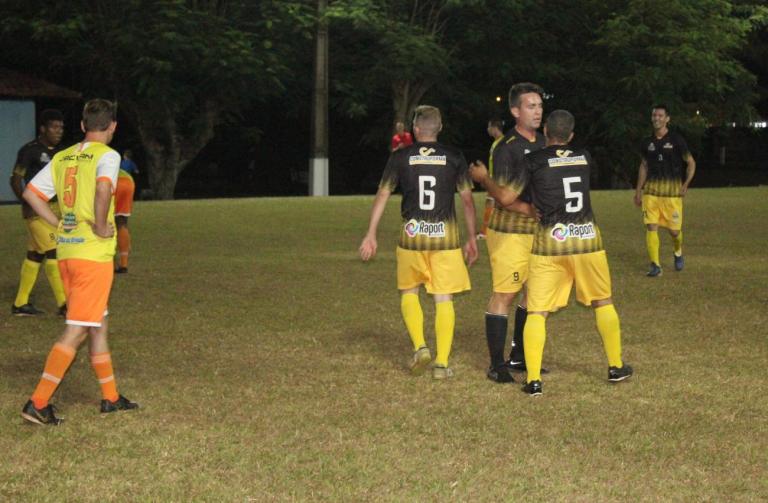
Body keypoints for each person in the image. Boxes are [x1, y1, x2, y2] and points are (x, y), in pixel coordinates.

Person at [470, 109, 633, 395]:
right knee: (603, 302)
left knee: (538, 310)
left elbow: (507, 198)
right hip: (587, 241)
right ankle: (615, 366)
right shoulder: (584, 157)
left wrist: (484, 179)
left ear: (546, 131)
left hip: (550, 243)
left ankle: (533, 381)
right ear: (571, 135)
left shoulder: (533, 161)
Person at [20, 99, 138, 425]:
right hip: (92, 256)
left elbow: (31, 193)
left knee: (96, 323)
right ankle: (38, 402)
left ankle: (111, 397)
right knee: (77, 330)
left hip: (69, 253)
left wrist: (57, 224)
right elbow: (103, 191)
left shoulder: (63, 156)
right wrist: (101, 226)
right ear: (112, 126)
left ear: (84, 126)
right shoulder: (108, 156)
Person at [360, 105, 478, 379]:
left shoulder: (401, 156)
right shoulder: (454, 157)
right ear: (440, 127)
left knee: (409, 292)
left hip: (411, 238)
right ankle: (442, 364)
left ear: (414, 130)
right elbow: (468, 201)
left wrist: (371, 234)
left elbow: (382, 194)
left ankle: (420, 347)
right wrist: (472, 238)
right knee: (443, 298)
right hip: (445, 241)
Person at [482, 82, 546, 383]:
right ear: (515, 111)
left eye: (539, 105)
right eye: (531, 106)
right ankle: (497, 364)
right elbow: (505, 198)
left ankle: (520, 355)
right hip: (508, 231)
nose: (537, 111)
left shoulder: (544, 142)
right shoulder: (505, 148)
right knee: (505, 294)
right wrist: (528, 210)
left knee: (534, 294)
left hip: (538, 232)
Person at [9, 109, 68, 316]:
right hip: (36, 210)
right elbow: (16, 179)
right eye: (54, 127)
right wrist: (26, 202)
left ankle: (20, 304)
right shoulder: (30, 150)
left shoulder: (61, 152)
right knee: (55, 251)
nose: (58, 131)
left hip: (55, 208)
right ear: (42, 129)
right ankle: (64, 304)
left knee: (35, 255)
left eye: (61, 127)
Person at [634, 105, 696, 276]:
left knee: (674, 232)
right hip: (651, 193)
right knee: (651, 227)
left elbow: (691, 162)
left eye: (661, 115)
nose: (657, 118)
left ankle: (678, 251)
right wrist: (638, 190)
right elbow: (644, 166)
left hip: (672, 195)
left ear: (667, 119)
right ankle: (655, 265)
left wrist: (686, 184)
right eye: (654, 115)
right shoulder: (647, 142)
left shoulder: (676, 140)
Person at [477, 118, 505, 240]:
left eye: (489, 127)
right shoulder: (496, 142)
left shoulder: (502, 143)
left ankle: (485, 233)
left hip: (499, 181)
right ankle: (489, 232)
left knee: (492, 204)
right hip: (495, 179)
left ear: (494, 128)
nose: (487, 129)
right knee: (493, 205)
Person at [114, 152, 137, 273]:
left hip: (111, 182)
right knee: (122, 222)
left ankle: (110, 263)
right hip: (128, 181)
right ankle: (124, 264)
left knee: (106, 222)